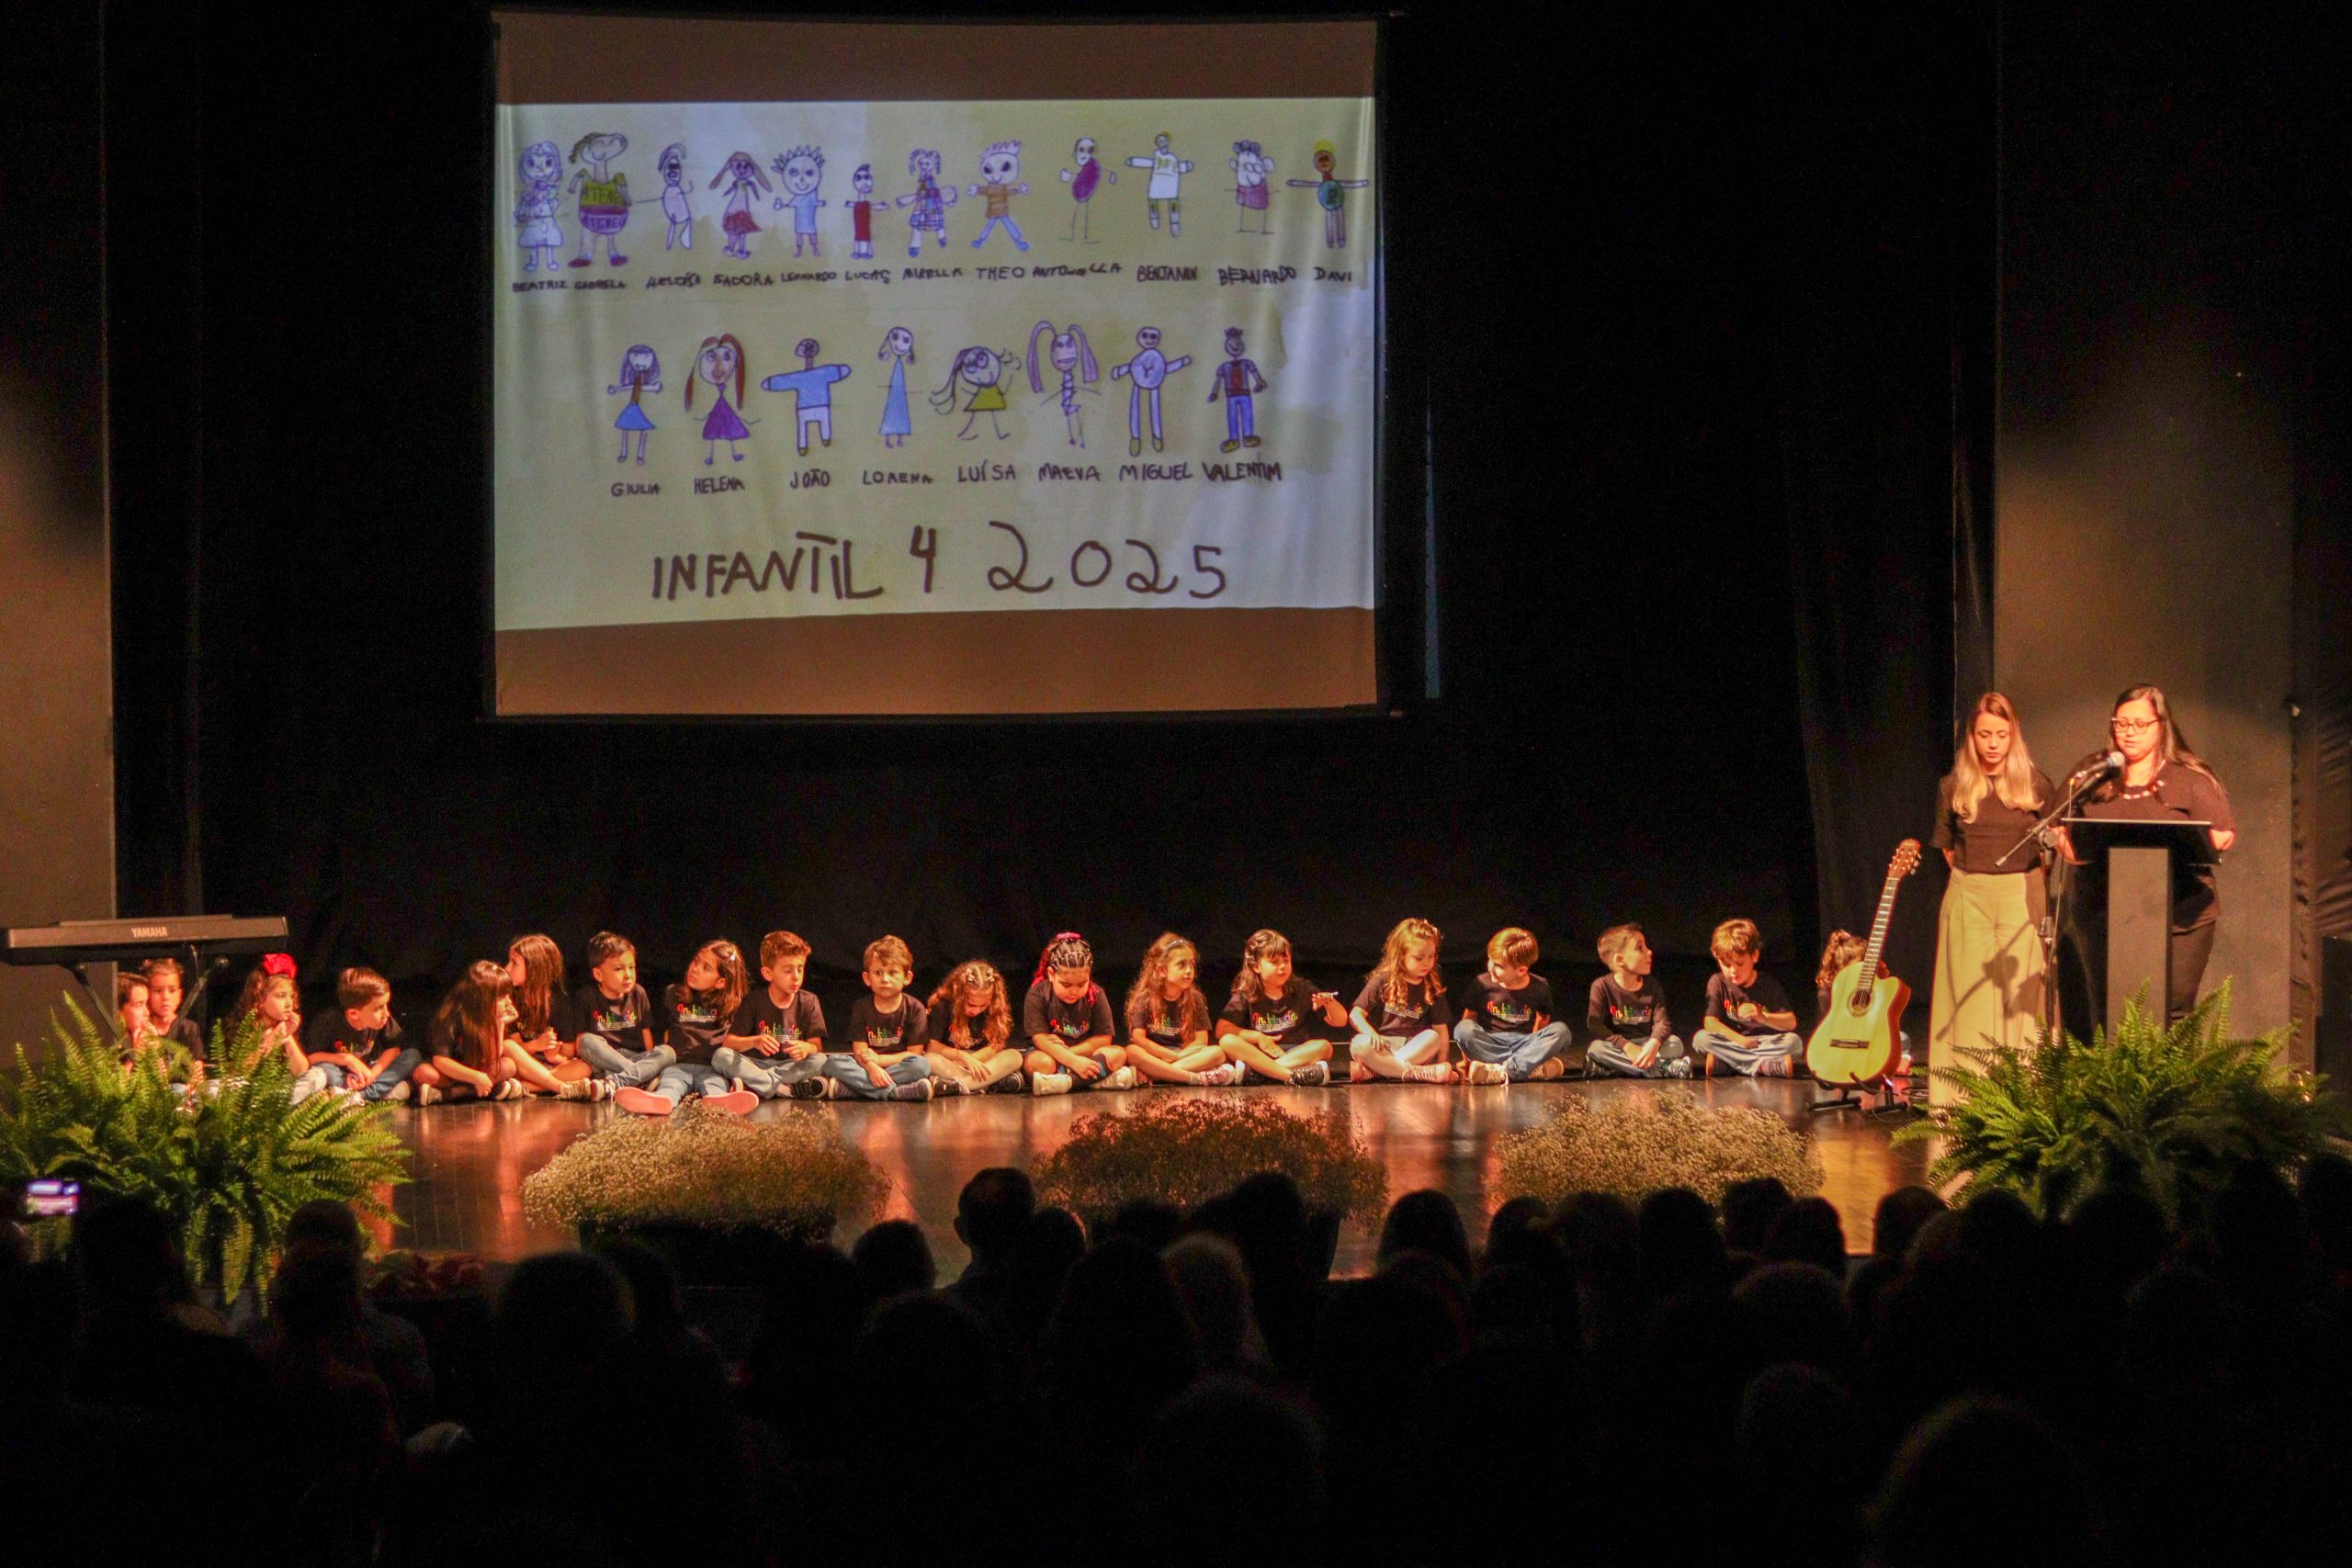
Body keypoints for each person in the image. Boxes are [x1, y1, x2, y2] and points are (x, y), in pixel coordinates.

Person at [2058, 683, 2238, 1025]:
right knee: (2111, 1013)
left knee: (2173, 1013)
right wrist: (2069, 848)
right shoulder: (2094, 775)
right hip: (2103, 913)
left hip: (2180, 915)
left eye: (2141, 724)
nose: (2130, 732)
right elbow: (2060, 830)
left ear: (2161, 726)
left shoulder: (2189, 778)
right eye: (2122, 724)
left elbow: (2223, 835)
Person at [1928, 693, 2055, 1102]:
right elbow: (1949, 850)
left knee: (2020, 999)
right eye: (1985, 734)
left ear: (2013, 734)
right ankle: (1965, 1102)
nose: (1994, 743)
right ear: (1972, 737)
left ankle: (2023, 1100)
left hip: (2019, 894)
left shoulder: (2036, 785)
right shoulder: (1953, 786)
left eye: (2002, 734)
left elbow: (2049, 849)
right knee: (1969, 1001)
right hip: (1971, 894)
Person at [617, 940, 755, 1116]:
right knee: (671, 1085)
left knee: (714, 1086)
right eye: (696, 961)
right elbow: (662, 1032)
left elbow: (735, 1041)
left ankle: (719, 1102)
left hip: (712, 1068)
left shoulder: (732, 1006)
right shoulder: (674, 994)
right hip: (679, 1065)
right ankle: (661, 1101)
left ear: (721, 982)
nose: (695, 969)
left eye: (706, 968)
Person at [809, 935, 935, 1101]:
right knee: (833, 1062)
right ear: (867, 978)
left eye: (892, 973)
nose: (885, 979)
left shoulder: (915, 1008)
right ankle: (895, 1092)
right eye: (878, 973)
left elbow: (915, 1053)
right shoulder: (861, 1007)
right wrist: (872, 1068)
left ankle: (853, 1090)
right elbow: (859, 1051)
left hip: (899, 1067)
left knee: (921, 1065)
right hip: (867, 1067)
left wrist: (880, 1060)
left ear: (907, 977)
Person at [714, 930, 831, 1102]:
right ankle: (782, 1088)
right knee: (721, 1056)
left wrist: (806, 1048)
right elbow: (729, 1043)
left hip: (789, 1066)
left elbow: (816, 1048)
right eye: (788, 971)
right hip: (756, 1064)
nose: (796, 977)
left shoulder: (809, 1001)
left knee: (820, 1061)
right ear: (768, 973)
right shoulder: (754, 1000)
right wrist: (755, 1041)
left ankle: (756, 1085)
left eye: (800, 969)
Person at [1216, 929, 1340, 1086]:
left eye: (1286, 961)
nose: (1282, 967)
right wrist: (1259, 1038)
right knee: (1228, 1041)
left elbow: (1339, 1020)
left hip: (1295, 1053)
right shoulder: (1247, 994)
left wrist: (1329, 1003)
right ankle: (1290, 1075)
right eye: (1274, 962)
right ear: (1256, 967)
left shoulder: (1302, 988)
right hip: (1259, 1054)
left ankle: (1261, 1073)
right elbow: (1222, 1030)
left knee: (1324, 1047)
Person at [557, 930, 674, 1093]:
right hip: (604, 1061)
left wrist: (648, 1062)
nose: (628, 975)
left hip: (635, 1057)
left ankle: (620, 1081)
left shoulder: (638, 993)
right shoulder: (586, 996)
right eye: (619, 969)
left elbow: (646, 1035)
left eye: (631, 967)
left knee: (668, 1052)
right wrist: (642, 1072)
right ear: (598, 974)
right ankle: (640, 1080)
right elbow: (581, 1044)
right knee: (587, 1041)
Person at [1454, 926, 1570, 1084]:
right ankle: (1527, 1068)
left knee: (1561, 1031)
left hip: (1523, 1042)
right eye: (1490, 960)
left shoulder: (1539, 987)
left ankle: (1504, 1071)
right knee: (1462, 1029)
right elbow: (1469, 1017)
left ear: (1521, 971)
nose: (1490, 967)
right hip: (1490, 1042)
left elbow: (1543, 1018)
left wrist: (1534, 1047)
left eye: (1498, 966)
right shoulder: (1482, 983)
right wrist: (1466, 1060)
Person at [1024, 932, 1137, 1094]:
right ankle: (1095, 1080)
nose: (1074, 991)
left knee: (1118, 1054)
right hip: (1052, 1055)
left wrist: (1074, 1058)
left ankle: (1067, 1082)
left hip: (1085, 1056)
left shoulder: (1096, 994)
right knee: (1037, 1063)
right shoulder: (1037, 994)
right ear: (1051, 974)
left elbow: (1104, 1039)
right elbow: (1040, 1039)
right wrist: (1072, 1061)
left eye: (1081, 985)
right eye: (1066, 985)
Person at [1349, 917, 1456, 1084]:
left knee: (1432, 1037)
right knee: (1358, 1044)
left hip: (1414, 1047)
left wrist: (1443, 1063)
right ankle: (1417, 1073)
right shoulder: (1384, 979)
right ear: (1401, 955)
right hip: (1384, 1045)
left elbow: (1441, 1031)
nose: (1427, 963)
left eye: (1431, 956)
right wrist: (1370, 1033)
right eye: (1419, 958)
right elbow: (1356, 1014)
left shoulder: (1432, 986)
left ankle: (1378, 1071)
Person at [502, 932, 607, 1100]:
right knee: (507, 1049)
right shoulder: (510, 1000)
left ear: (535, 969)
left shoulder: (561, 1005)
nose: (507, 969)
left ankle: (526, 1087)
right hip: (524, 1065)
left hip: (549, 1068)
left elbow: (568, 1053)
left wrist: (553, 1056)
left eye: (514, 963)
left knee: (584, 1067)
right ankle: (561, 1088)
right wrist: (536, 1045)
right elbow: (513, 1048)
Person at [1125, 932, 1239, 1087]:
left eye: (1191, 964)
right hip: (1156, 1056)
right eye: (1181, 965)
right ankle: (1193, 1078)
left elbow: (1201, 1040)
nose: (1189, 970)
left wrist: (1178, 1056)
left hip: (1185, 1056)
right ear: (1161, 970)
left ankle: (1159, 1076)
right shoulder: (1145, 998)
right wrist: (1170, 1055)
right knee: (1132, 1052)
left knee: (1217, 1053)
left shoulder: (1195, 999)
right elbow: (1139, 1038)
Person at [1692, 919, 1802, 1077]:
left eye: (1739, 963)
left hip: (1762, 1042)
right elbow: (1710, 1023)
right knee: (1701, 1039)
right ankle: (1762, 1066)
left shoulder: (1768, 984)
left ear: (1755, 956)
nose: (1733, 971)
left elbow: (1790, 1022)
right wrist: (1740, 1041)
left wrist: (1763, 1017)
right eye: (1726, 964)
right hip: (1732, 1041)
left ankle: (1729, 1064)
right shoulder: (1717, 982)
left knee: (1794, 1042)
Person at [300, 965, 424, 1105]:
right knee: (324, 1068)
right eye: (378, 1008)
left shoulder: (383, 1020)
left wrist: (371, 1075)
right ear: (354, 1014)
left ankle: (359, 1096)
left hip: (367, 1072)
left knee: (412, 1056)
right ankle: (371, 1094)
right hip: (341, 1074)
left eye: (386, 1005)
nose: (386, 1013)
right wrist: (347, 1059)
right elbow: (311, 1058)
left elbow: (393, 1048)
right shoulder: (328, 1020)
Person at [1585, 922, 1689, 1078]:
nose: (1649, 952)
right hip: (1618, 1046)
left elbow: (1663, 1023)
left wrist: (1653, 1044)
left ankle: (1614, 1069)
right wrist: (1626, 1046)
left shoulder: (1652, 986)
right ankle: (1663, 1068)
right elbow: (1595, 1025)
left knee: (1675, 1043)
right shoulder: (1601, 986)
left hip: (1646, 1044)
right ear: (1620, 960)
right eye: (1640, 948)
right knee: (1596, 1048)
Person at [411, 961, 523, 1102]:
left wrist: (500, 1023)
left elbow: (493, 1058)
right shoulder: (451, 1015)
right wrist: (475, 1077)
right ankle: (488, 1090)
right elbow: (441, 1061)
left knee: (509, 1065)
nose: (509, 1002)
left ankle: (448, 1095)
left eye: (508, 996)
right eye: (502, 997)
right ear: (483, 998)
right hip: (451, 1074)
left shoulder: (490, 1016)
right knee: (423, 1073)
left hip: (477, 1070)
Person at [923, 959, 1031, 1094]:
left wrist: (974, 1060)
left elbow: (996, 1046)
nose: (976, 1010)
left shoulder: (994, 1008)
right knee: (929, 1060)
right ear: (960, 994)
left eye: (983, 1005)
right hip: (954, 1061)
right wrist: (964, 1058)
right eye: (971, 1004)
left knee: (1015, 1056)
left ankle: (957, 1086)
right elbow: (932, 1046)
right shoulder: (943, 1005)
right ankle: (988, 1084)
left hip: (982, 1063)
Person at [141, 956, 206, 1056]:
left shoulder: (190, 1029)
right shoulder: (142, 1029)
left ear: (179, 995)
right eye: (157, 991)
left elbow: (197, 1064)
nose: (165, 997)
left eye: (172, 991)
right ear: (148, 994)